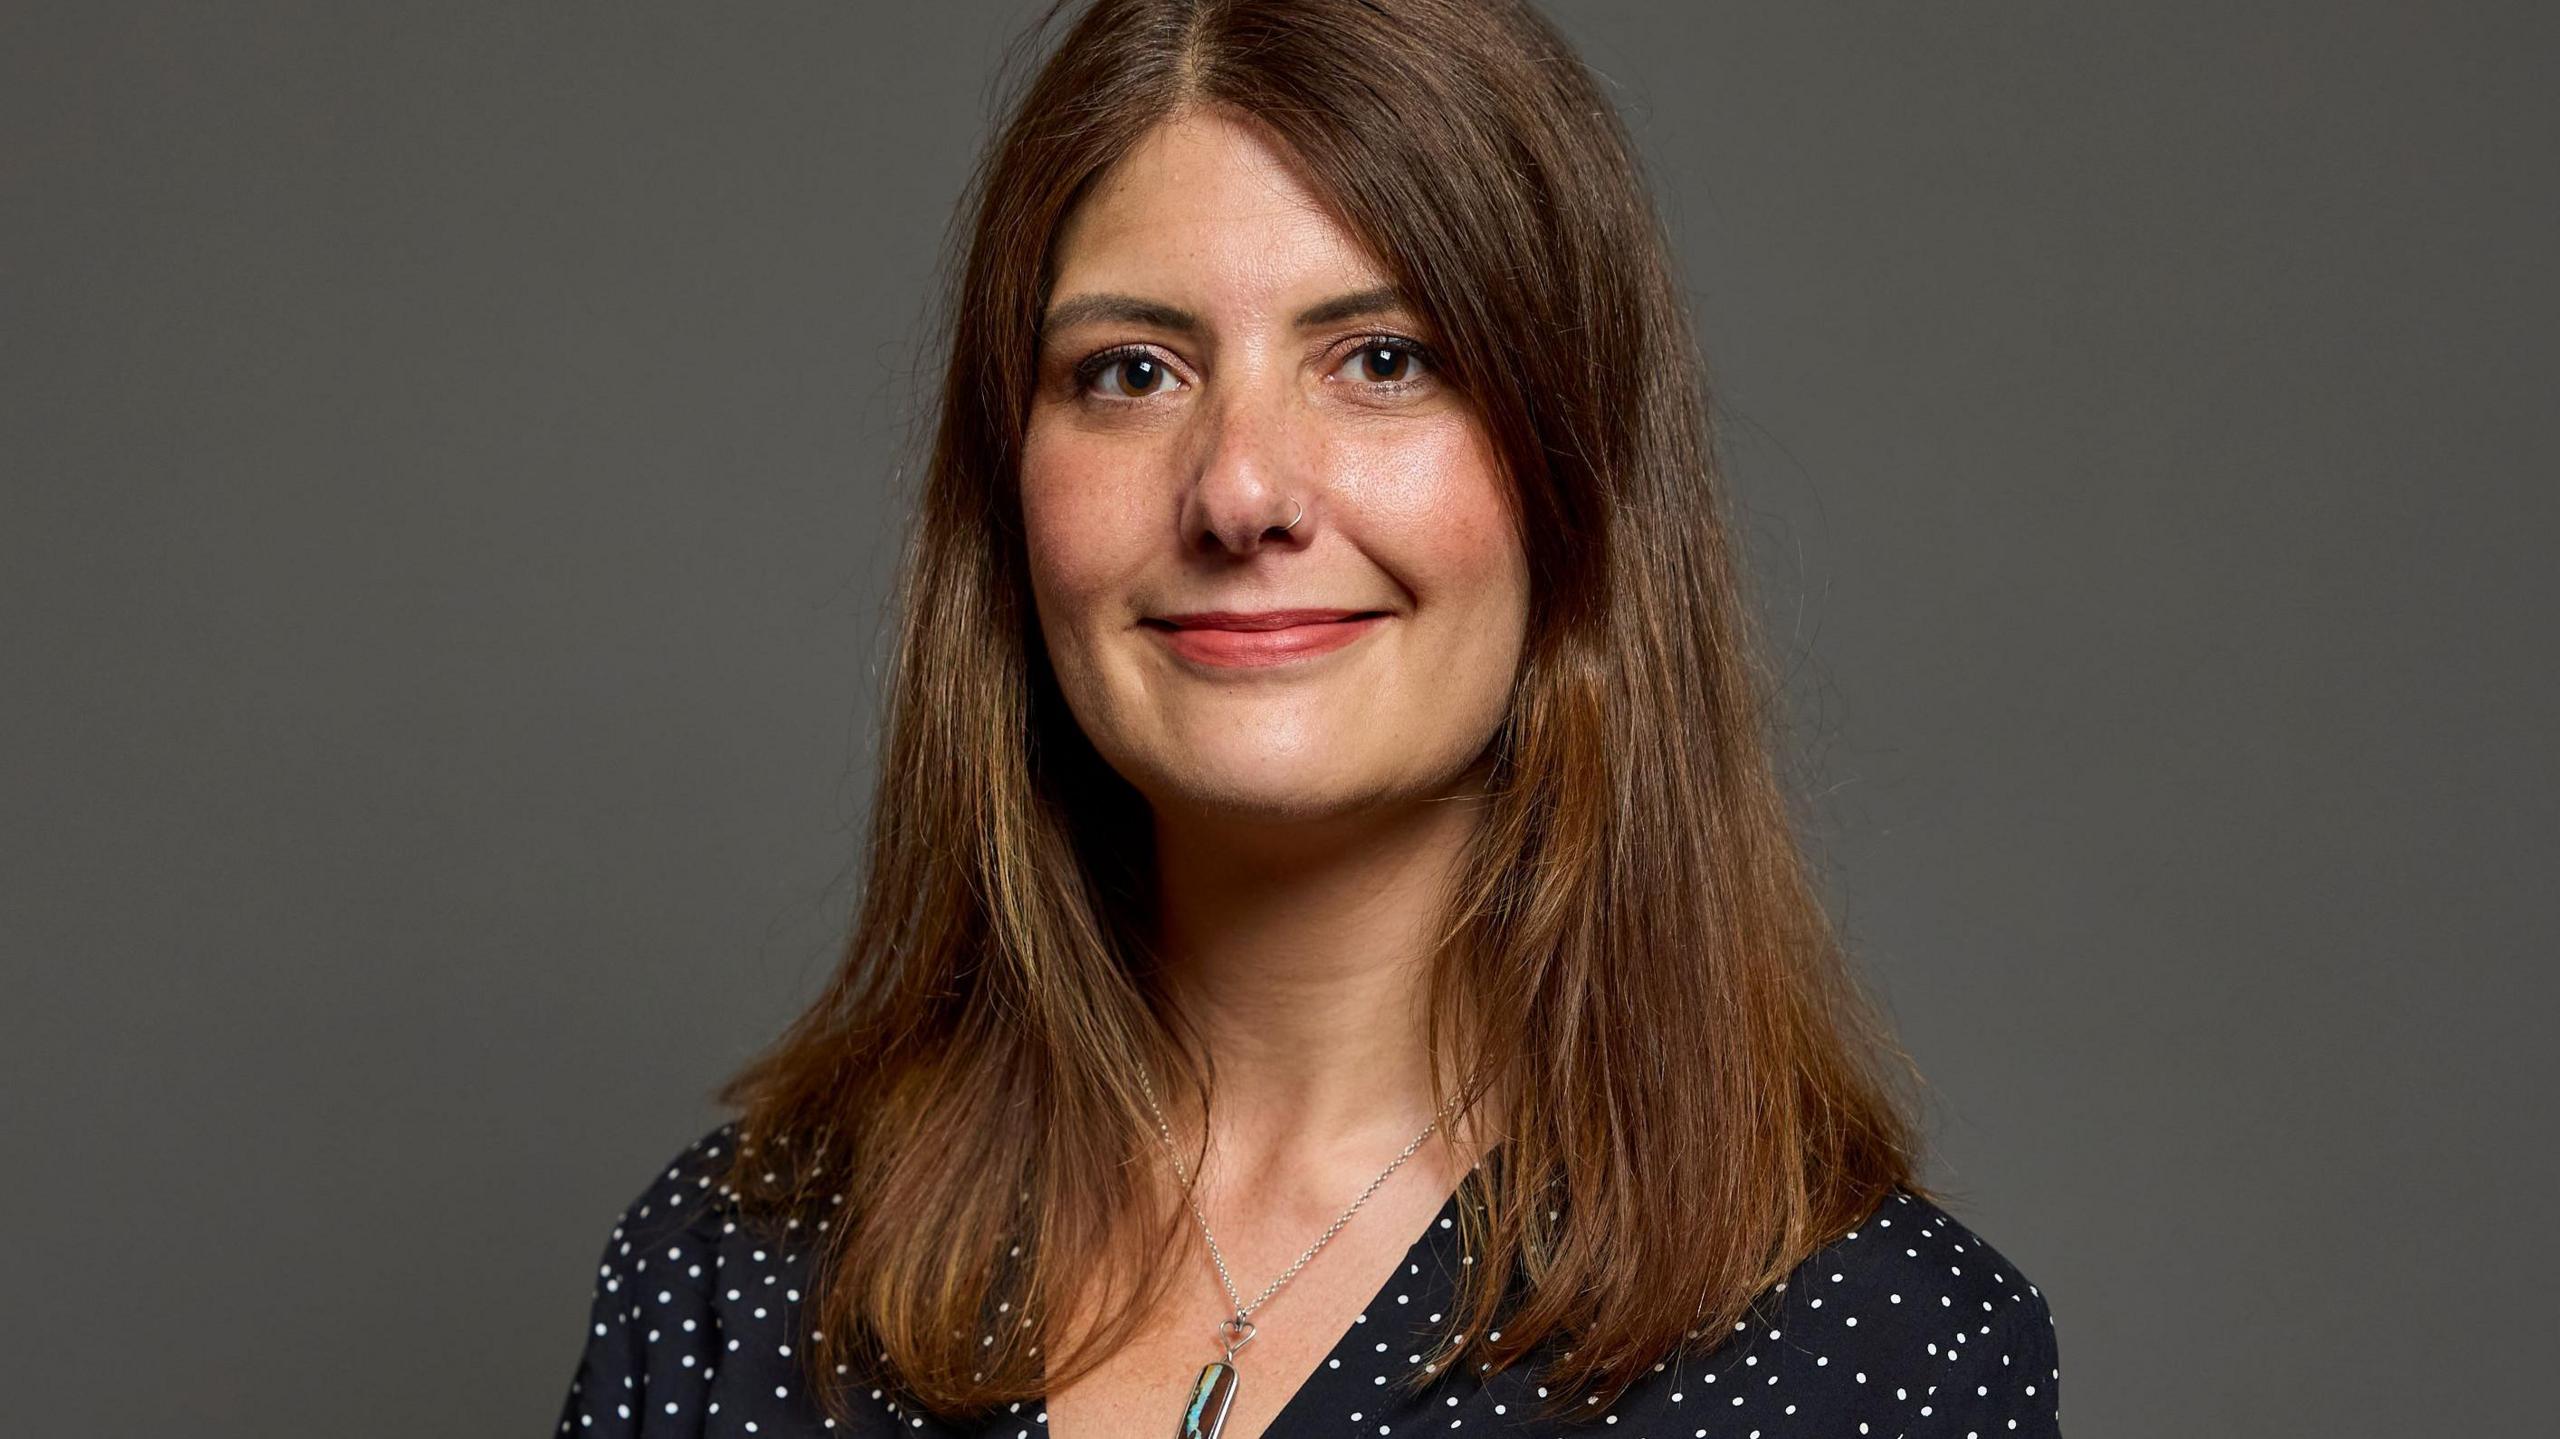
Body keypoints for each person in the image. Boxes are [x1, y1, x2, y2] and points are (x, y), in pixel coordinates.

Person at [554, 2, 2063, 1435]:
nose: (1241, 492)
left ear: (1575, 482)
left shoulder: (1875, 1362)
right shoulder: (729, 1284)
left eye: (1383, 361)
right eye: (1132, 372)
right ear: (1007, 491)